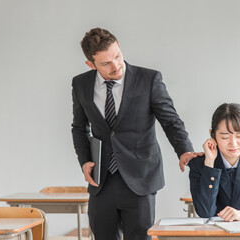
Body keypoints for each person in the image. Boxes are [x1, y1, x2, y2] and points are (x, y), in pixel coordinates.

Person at [71, 27, 202, 240]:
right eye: (106, 63)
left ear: (119, 47)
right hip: (101, 180)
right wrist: (85, 160)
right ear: (91, 64)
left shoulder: (149, 79)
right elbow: (79, 127)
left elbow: (170, 121)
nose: (116, 66)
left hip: (141, 177)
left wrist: (184, 150)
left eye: (117, 56)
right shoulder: (81, 84)